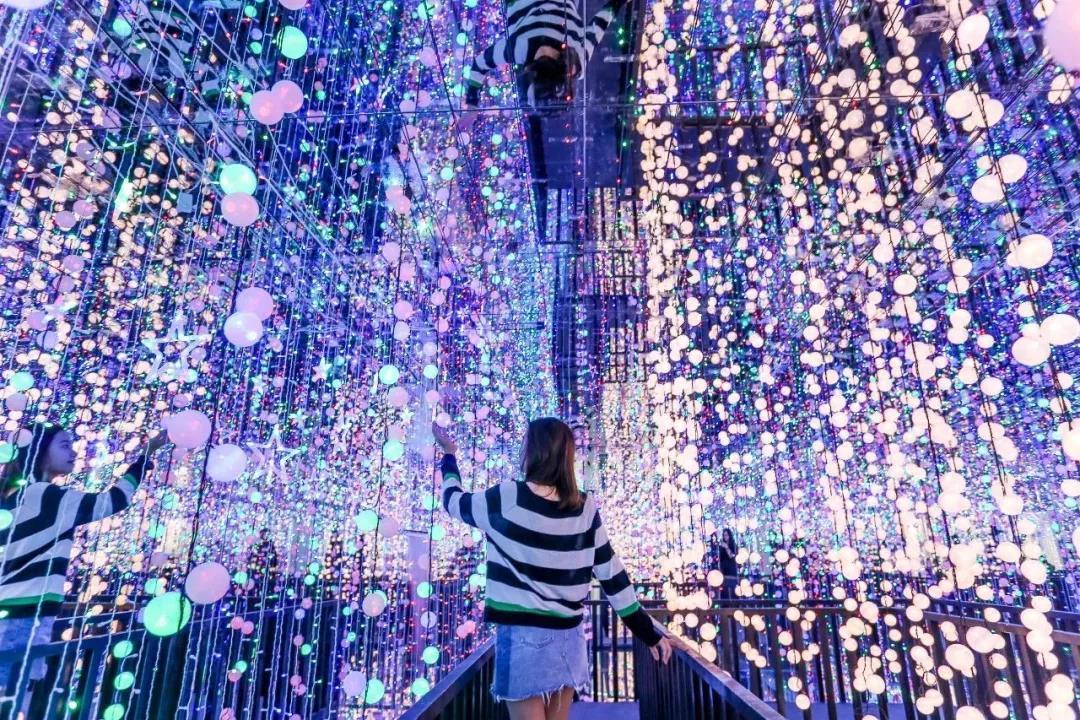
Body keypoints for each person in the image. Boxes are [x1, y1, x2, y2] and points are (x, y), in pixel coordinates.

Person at [432, 417, 671, 720]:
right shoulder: (584, 508)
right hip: (569, 637)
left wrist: (449, 456)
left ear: (533, 452)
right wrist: (648, 633)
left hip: (522, 638)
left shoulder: (509, 497)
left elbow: (453, 502)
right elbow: (613, 577)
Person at [0, 422, 166, 708]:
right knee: (13, 693)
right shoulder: (45, 495)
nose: (74, 453)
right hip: (25, 611)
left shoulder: (13, 496)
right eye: (64, 445)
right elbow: (112, 501)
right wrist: (145, 457)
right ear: (40, 451)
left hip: (12, 607)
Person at [461, 0, 629, 117]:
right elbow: (479, 64)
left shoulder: (522, 49)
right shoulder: (523, 49)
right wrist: (472, 105)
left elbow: (600, 23)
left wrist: (472, 106)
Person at [709, 528, 739, 600]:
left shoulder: (733, 545)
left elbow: (732, 556)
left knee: (732, 587)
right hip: (723, 569)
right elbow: (718, 557)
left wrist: (727, 547)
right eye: (724, 535)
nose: (725, 537)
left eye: (727, 535)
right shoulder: (721, 546)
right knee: (724, 588)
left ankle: (734, 602)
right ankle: (725, 602)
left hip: (731, 569)